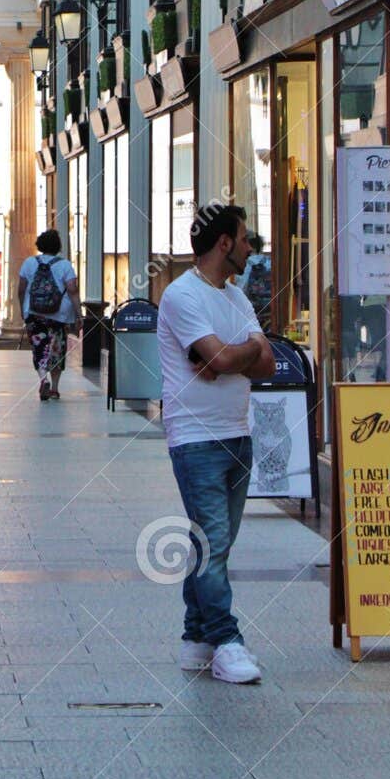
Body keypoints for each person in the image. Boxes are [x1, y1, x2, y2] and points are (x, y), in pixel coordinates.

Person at [156, 203, 275, 685]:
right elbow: (226, 359)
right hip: (195, 438)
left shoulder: (236, 296)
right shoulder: (181, 296)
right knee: (214, 543)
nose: (251, 247)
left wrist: (233, 356)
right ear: (224, 243)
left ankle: (195, 638)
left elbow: (265, 363)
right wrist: (235, 355)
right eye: (245, 238)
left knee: (210, 544)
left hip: (237, 433)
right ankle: (228, 641)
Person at [18, 229, 81, 400]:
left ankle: (42, 379)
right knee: (57, 349)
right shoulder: (65, 265)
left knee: (39, 348)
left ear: (40, 245)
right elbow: (73, 290)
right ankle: (54, 388)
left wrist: (23, 309)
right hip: (58, 315)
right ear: (58, 246)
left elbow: (21, 289)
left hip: (34, 313)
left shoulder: (29, 263)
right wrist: (78, 315)